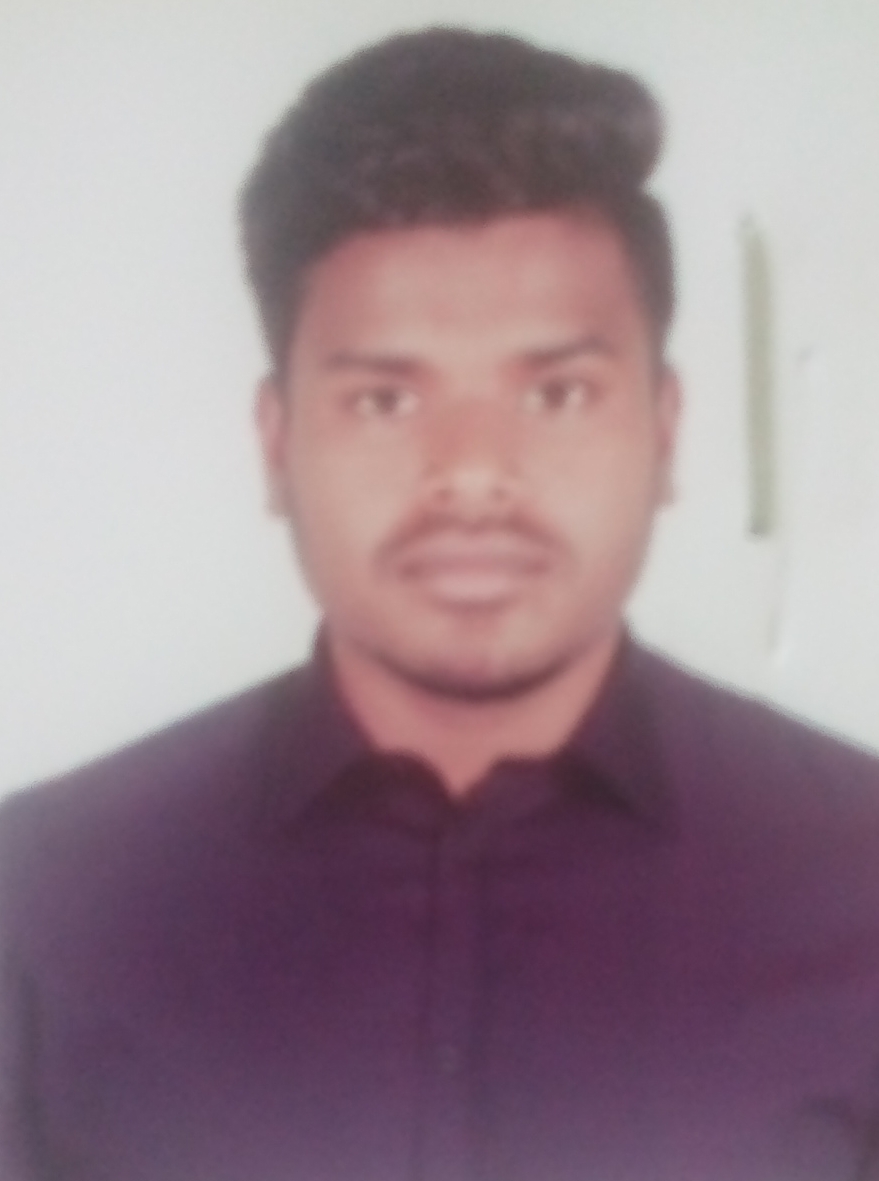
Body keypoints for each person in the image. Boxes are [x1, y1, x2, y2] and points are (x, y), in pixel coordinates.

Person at [2, 25, 879, 1181]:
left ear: (665, 431)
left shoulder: (859, 876)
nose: (471, 472)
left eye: (557, 392)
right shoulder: (43, 906)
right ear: (277, 443)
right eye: (385, 400)